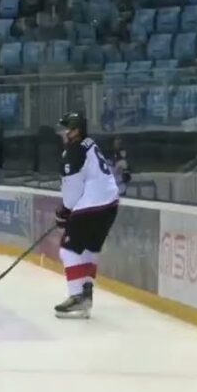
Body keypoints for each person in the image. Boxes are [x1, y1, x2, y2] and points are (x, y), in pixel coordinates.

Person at [54, 112, 119, 318]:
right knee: (90, 248)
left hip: (92, 204)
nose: (63, 133)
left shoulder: (73, 152)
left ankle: (77, 297)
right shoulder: (90, 144)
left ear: (76, 131)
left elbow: (72, 192)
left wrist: (65, 211)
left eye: (67, 128)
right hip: (110, 203)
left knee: (69, 249)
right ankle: (86, 293)